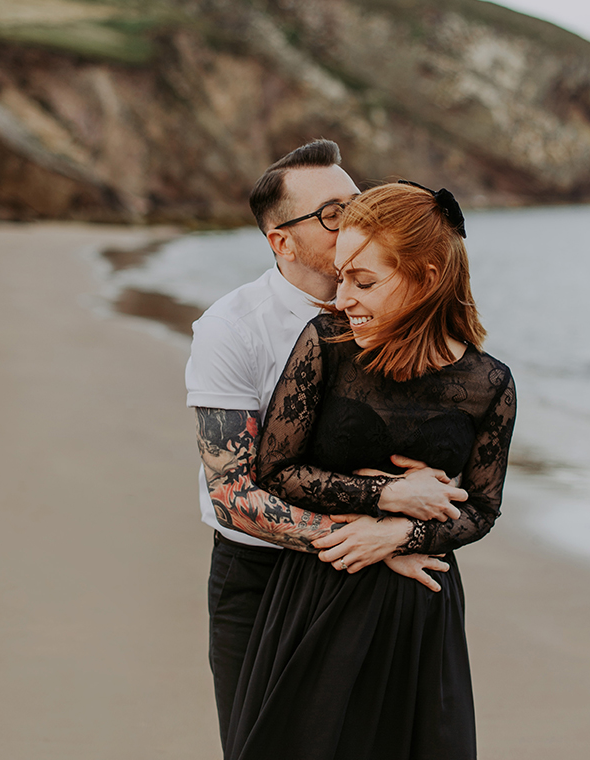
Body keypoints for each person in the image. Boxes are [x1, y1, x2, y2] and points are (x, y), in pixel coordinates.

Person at [186, 143, 465, 749]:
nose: (356, 221)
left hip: (376, 583)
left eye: (358, 204)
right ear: (282, 242)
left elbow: (446, 469)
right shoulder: (231, 330)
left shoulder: (400, 313)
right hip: (257, 576)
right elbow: (234, 494)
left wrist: (402, 533)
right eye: (334, 213)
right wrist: (372, 540)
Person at [225, 182, 516, 760]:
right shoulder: (326, 344)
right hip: (321, 592)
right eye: (340, 278)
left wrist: (398, 534)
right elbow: (275, 469)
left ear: (428, 279)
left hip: (418, 610)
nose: (344, 298)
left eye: (364, 282)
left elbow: (482, 510)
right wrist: (386, 494)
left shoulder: (490, 384)